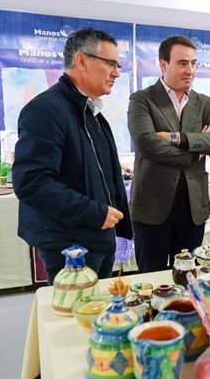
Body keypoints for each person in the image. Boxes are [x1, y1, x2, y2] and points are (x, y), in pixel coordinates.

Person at [13, 28, 132, 285]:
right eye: (110, 63)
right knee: (73, 318)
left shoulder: (89, 111)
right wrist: (94, 213)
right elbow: (32, 182)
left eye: (118, 65)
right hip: (70, 244)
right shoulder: (46, 110)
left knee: (96, 315)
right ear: (81, 60)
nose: (117, 72)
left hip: (96, 236)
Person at [128, 35, 210, 273]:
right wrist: (196, 152)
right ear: (163, 64)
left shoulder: (203, 103)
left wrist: (179, 138)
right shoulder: (142, 99)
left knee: (188, 277)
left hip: (193, 208)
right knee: (150, 278)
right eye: (183, 63)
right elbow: (147, 144)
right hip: (152, 206)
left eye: (194, 63)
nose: (190, 70)